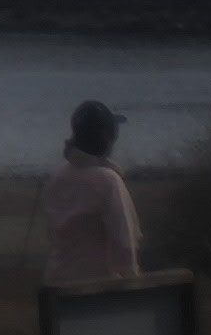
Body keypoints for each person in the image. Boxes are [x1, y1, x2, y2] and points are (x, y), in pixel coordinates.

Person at [41, 99, 142, 286]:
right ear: (106, 136)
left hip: (58, 284)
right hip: (97, 289)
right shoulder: (108, 181)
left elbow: (53, 235)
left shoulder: (57, 179)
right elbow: (123, 244)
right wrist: (133, 284)